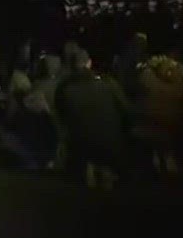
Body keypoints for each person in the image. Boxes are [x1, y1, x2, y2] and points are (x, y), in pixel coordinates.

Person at [53, 52, 134, 190]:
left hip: (80, 145)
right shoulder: (109, 83)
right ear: (89, 63)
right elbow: (127, 111)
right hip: (111, 143)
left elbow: (61, 117)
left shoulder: (63, 88)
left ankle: (90, 172)